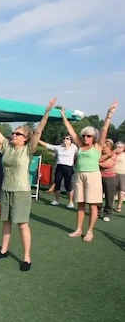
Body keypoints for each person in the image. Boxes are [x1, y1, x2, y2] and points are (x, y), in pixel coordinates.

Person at [0, 98, 57, 271]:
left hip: (21, 191)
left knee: (22, 224)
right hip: (6, 189)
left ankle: (26, 258)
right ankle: (4, 250)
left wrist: (47, 113)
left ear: (25, 138)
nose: (14, 135)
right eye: (14, 133)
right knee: (6, 221)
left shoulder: (28, 150)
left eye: (18, 134)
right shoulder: (6, 147)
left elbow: (38, 132)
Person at [60, 101, 117, 242]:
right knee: (80, 203)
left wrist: (109, 114)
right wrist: (63, 116)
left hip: (93, 176)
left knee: (93, 205)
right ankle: (79, 229)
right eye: (84, 135)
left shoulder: (97, 146)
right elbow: (72, 132)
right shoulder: (79, 145)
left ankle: (90, 231)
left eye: (88, 136)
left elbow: (104, 130)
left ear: (94, 137)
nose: (85, 138)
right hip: (79, 175)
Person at [38, 136, 78, 208]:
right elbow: (48, 146)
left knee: (68, 185)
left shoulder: (74, 147)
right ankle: (56, 200)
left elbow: (79, 154)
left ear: (71, 141)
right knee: (57, 183)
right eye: (64, 138)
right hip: (59, 167)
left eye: (67, 139)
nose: (65, 140)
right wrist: (38, 140)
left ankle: (71, 202)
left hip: (68, 167)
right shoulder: (59, 147)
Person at [98, 139, 117, 222]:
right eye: (102, 147)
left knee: (109, 196)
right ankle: (97, 212)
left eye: (105, 147)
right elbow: (97, 160)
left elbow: (105, 165)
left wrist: (95, 162)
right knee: (97, 196)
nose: (103, 149)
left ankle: (107, 213)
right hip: (98, 177)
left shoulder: (114, 156)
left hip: (110, 178)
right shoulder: (100, 154)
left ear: (110, 147)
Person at [114, 141, 125, 212]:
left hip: (122, 174)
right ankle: (111, 205)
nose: (118, 148)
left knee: (121, 190)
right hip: (112, 174)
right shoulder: (112, 154)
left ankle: (119, 206)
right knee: (112, 191)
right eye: (116, 147)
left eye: (120, 147)